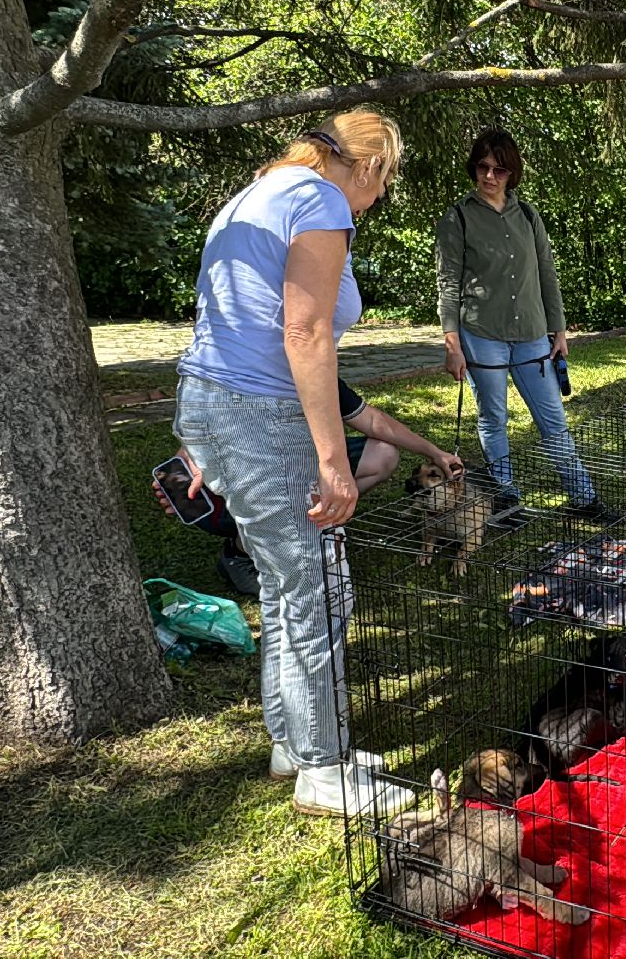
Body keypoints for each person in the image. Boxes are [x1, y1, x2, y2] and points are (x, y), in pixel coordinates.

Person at [173, 110, 463, 817]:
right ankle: (326, 771)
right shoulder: (318, 198)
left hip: (217, 404)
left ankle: (295, 742)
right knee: (319, 591)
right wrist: (335, 463)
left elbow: (228, 322)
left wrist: (209, 434)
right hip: (262, 414)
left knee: (284, 585)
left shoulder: (255, 193)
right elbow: (302, 330)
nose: (378, 198)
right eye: (384, 182)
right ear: (368, 166)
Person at [436, 128, 610, 519]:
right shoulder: (458, 218)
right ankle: (505, 498)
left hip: (532, 335)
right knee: (493, 417)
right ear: (474, 168)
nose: (490, 176)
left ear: (512, 173)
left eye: (500, 169)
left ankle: (584, 498)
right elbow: (448, 283)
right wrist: (452, 342)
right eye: (483, 167)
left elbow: (546, 274)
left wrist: (560, 330)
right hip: (482, 334)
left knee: (553, 418)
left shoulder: (529, 215)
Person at [153, 378, 420, 595]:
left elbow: (372, 419)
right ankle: (239, 553)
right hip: (235, 493)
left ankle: (313, 529)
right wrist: (183, 469)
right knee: (277, 480)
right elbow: (195, 435)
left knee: (382, 454)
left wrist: (436, 453)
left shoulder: (310, 370)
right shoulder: (235, 379)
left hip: (296, 466)